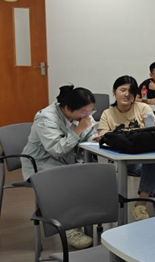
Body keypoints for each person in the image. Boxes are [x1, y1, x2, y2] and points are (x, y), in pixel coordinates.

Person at [21, 85, 99, 249]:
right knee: (71, 182)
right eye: (84, 112)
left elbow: (90, 132)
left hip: (67, 162)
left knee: (93, 176)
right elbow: (57, 150)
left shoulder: (81, 114)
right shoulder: (46, 118)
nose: (88, 115)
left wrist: (96, 137)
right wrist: (78, 129)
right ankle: (70, 229)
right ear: (68, 108)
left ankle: (85, 220)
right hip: (41, 164)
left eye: (91, 111)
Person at [97, 76, 155, 222]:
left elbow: (153, 133)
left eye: (130, 91)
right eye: (122, 90)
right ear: (114, 92)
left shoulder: (143, 108)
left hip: (147, 155)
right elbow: (103, 136)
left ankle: (140, 205)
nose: (126, 94)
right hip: (126, 160)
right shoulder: (107, 113)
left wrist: (121, 138)